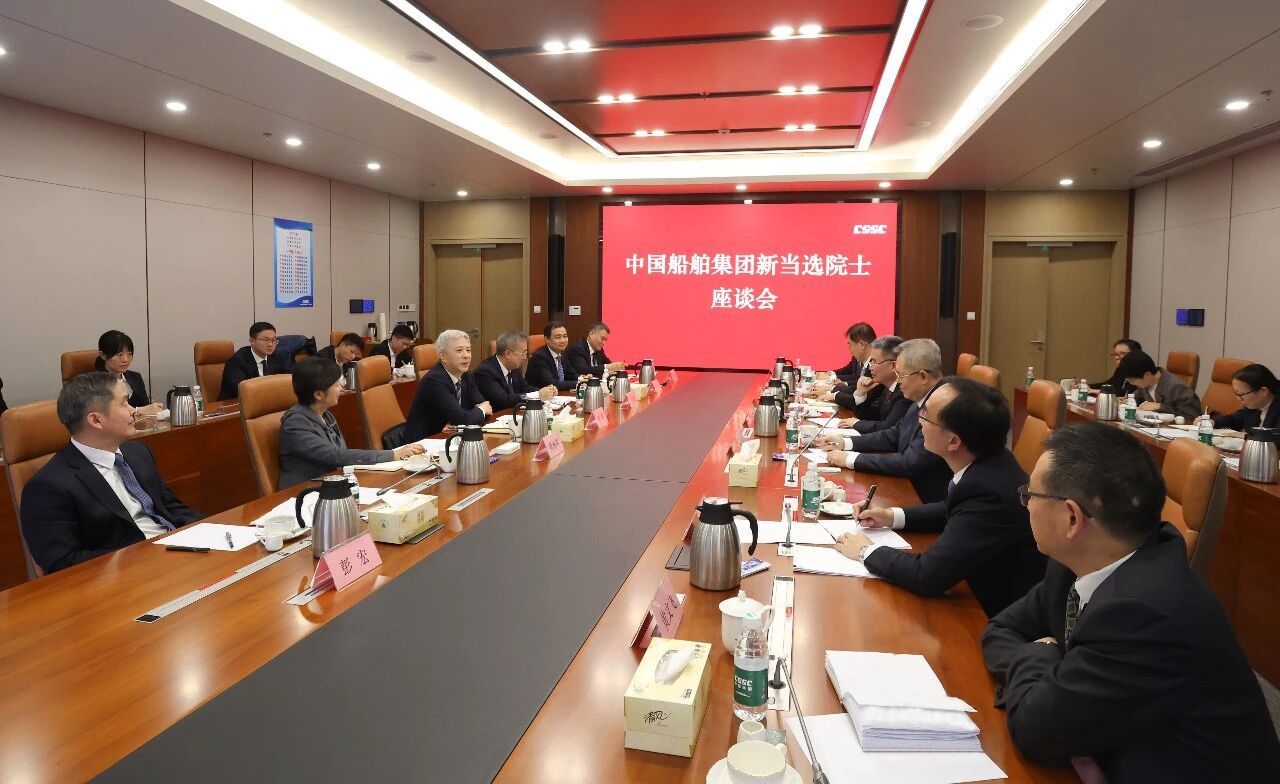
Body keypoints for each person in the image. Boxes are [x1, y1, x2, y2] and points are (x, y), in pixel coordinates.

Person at [982, 422, 1280, 781]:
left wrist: (1043, 654)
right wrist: (1052, 678)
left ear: (1071, 517)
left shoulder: (1140, 614)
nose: (1027, 504)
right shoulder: (1078, 564)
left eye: (1031, 495)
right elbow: (999, 630)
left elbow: (1035, 730)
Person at [834, 377, 1046, 617]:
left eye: (925, 416)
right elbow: (951, 508)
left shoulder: (989, 493)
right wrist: (890, 516)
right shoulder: (991, 462)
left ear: (953, 441)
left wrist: (865, 551)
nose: (919, 421)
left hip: (989, 613)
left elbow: (926, 575)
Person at [20, 372, 203, 573]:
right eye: (124, 404)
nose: (133, 410)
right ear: (96, 420)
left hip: (179, 554)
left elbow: (171, 507)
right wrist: (146, 557)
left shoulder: (138, 452)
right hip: (128, 574)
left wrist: (211, 529)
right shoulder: (49, 487)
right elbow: (64, 563)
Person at [816, 338, 953, 503]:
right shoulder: (923, 396)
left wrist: (851, 459)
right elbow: (894, 434)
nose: (898, 381)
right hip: (907, 487)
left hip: (923, 499)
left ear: (923, 376)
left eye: (900, 375)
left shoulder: (942, 406)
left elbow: (909, 462)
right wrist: (845, 442)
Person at [278, 358, 424, 488]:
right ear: (318, 394)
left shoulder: (326, 415)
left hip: (332, 484)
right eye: (336, 385)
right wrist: (393, 454)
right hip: (303, 493)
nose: (341, 388)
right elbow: (336, 455)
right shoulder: (295, 423)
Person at [405, 329, 492, 441]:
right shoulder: (434, 381)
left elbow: (486, 408)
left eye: (468, 350)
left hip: (450, 438)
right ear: (443, 356)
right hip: (424, 443)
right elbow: (469, 416)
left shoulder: (466, 376)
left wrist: (459, 421)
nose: (466, 355)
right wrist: (473, 414)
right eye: (459, 350)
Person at [832, 336, 910, 433]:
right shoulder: (889, 387)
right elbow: (873, 417)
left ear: (893, 365)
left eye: (874, 362)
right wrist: (861, 394)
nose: (870, 368)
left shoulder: (904, 392)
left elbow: (887, 429)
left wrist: (856, 423)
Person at [474, 331, 555, 411]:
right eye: (523, 353)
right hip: (496, 416)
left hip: (513, 413)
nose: (525, 357)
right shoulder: (485, 372)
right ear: (508, 354)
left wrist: (546, 391)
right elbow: (503, 400)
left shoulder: (514, 367)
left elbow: (525, 387)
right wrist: (537, 395)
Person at [1115, 350, 1201, 420]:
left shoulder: (1176, 387)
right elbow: (1136, 398)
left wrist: (1160, 406)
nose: (1131, 383)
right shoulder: (1145, 384)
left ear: (1147, 374)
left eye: (1132, 380)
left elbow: (1192, 416)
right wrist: (1125, 402)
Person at [93, 330, 163, 415]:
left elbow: (146, 406)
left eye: (129, 354)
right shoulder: (94, 383)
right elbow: (106, 414)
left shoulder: (135, 377)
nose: (125, 360)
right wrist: (138, 410)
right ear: (103, 355)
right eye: (120, 355)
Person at [220, 321, 287, 400]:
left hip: (269, 401)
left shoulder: (277, 357)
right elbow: (243, 390)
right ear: (252, 341)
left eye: (274, 340)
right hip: (237, 403)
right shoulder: (237, 361)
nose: (271, 344)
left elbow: (290, 380)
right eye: (266, 340)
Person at [1206, 363, 1280, 430]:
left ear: (1263, 391)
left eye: (1241, 394)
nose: (1238, 398)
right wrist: (1211, 422)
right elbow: (1235, 419)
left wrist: (1246, 437)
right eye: (1236, 393)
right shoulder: (1255, 406)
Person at [527, 322, 587, 391]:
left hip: (558, 394)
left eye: (565, 336)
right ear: (547, 339)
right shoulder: (539, 357)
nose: (563, 341)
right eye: (558, 337)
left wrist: (583, 378)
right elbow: (552, 383)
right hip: (541, 395)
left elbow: (571, 374)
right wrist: (579, 383)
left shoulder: (561, 353)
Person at [821, 322, 876, 388]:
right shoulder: (859, 357)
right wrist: (831, 374)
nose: (848, 348)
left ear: (862, 344)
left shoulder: (875, 366)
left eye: (850, 344)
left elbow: (861, 384)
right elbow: (852, 373)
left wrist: (841, 384)